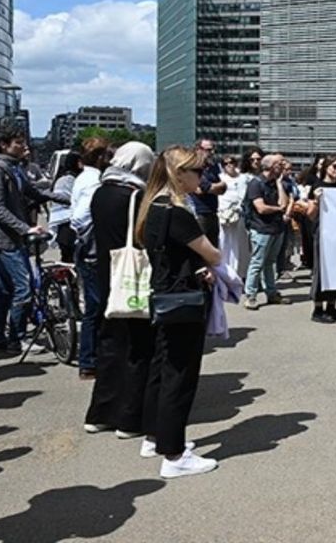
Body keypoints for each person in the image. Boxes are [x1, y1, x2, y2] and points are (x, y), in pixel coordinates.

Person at [136, 145, 223, 478]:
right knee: (180, 375)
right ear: (180, 173)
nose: (201, 177)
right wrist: (205, 263)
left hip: (165, 293)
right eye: (197, 171)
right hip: (183, 299)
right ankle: (173, 454)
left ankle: (155, 436)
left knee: (162, 368)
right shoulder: (177, 212)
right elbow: (212, 253)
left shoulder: (154, 207)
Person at [83, 142, 156, 439]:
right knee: (137, 348)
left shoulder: (101, 192)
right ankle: (128, 419)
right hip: (133, 278)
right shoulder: (136, 196)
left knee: (109, 345)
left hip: (107, 273)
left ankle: (99, 413)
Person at [0, 124, 64, 353]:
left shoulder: (14, 169)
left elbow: (35, 193)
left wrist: (68, 199)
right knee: (23, 287)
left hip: (11, 238)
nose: (24, 146)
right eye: (18, 142)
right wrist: (25, 228)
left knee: (4, 290)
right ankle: (16, 339)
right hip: (3, 239)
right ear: (4, 145)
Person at [70, 136, 111, 380]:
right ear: (98, 157)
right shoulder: (94, 181)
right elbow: (81, 216)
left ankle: (90, 358)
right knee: (96, 307)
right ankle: (89, 360)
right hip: (91, 248)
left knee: (94, 306)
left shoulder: (84, 178)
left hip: (86, 247)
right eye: (106, 155)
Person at [307, 156, 336, 323]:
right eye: (334, 166)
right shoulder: (318, 186)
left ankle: (332, 306)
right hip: (323, 233)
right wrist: (316, 201)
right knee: (322, 269)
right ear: (326, 167)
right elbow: (310, 215)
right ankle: (318, 309)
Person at [242, 154, 289, 309]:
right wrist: (278, 209)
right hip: (261, 229)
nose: (282, 165)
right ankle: (250, 295)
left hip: (276, 228)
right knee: (257, 262)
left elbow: (284, 203)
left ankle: (271, 292)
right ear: (268, 166)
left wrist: (279, 183)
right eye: (278, 163)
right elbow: (261, 208)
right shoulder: (256, 184)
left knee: (270, 262)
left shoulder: (276, 183)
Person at [217, 154, 253, 280]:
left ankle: (240, 274)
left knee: (240, 245)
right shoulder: (219, 178)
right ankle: (225, 273)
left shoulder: (244, 178)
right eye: (226, 163)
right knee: (224, 244)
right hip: (223, 215)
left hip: (239, 216)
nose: (229, 165)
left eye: (232, 162)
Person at [188, 139, 227, 247]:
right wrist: (215, 187)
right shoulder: (193, 166)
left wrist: (215, 187)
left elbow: (223, 187)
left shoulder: (214, 167)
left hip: (213, 212)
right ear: (198, 149)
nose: (212, 153)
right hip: (199, 213)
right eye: (209, 150)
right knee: (200, 249)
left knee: (214, 248)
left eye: (213, 149)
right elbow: (204, 188)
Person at [48, 152, 81, 263]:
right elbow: (62, 202)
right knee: (69, 260)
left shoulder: (68, 178)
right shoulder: (67, 179)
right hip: (66, 225)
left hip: (69, 226)